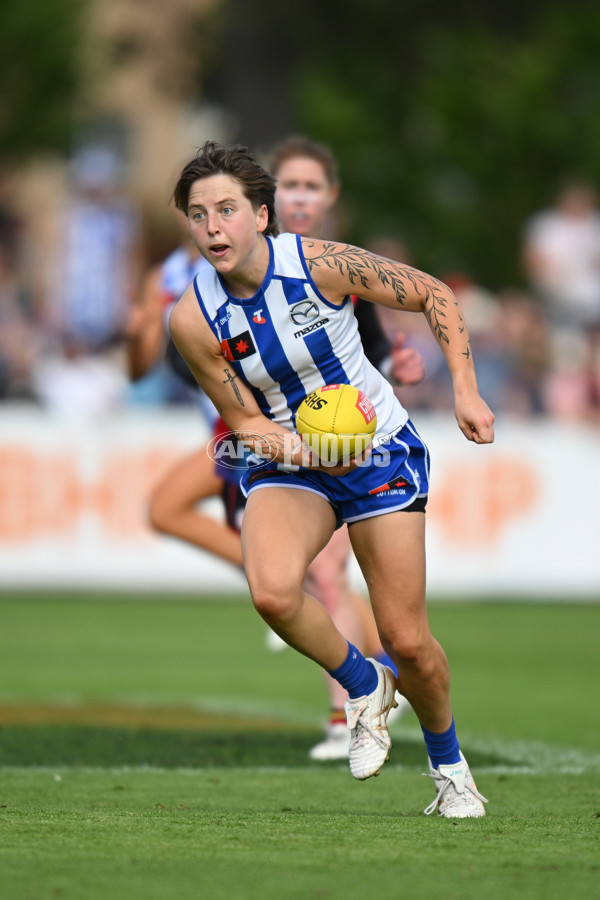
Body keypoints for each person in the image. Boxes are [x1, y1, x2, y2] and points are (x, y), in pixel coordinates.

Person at [169, 140, 495, 818]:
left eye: (226, 210)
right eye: (198, 216)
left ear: (263, 214)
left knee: (407, 639)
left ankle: (450, 768)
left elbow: (433, 294)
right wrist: (309, 451)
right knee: (273, 591)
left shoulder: (322, 265)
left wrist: (465, 388)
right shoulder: (193, 320)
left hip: (378, 452)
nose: (213, 228)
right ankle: (362, 685)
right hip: (293, 462)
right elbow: (241, 422)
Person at [146, 137, 424, 761]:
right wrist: (140, 332)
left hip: (339, 439)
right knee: (274, 566)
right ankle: (367, 678)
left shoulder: (324, 264)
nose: (299, 195)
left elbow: (373, 341)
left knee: (330, 579)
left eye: (310, 186)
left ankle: (353, 703)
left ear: (325, 197)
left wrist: (399, 367)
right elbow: (154, 360)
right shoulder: (191, 283)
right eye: (291, 183)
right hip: (251, 435)